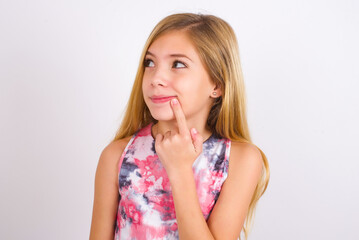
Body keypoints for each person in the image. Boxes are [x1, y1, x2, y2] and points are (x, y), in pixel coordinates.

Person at [89, 12, 270, 240]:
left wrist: (179, 170)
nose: (156, 78)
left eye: (177, 64)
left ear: (217, 84)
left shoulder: (240, 159)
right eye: (150, 62)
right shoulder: (117, 155)